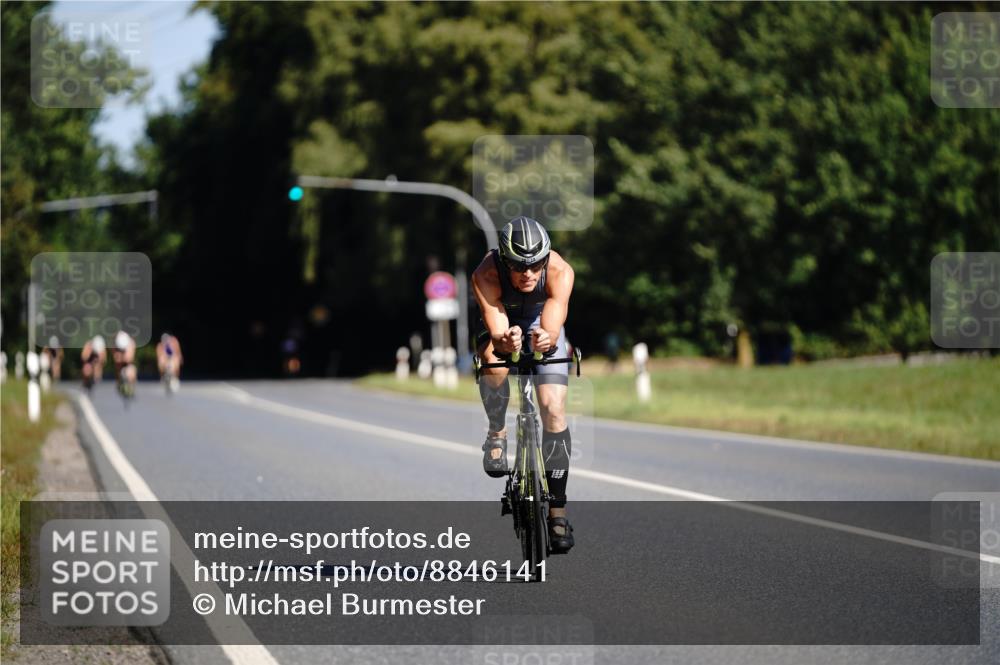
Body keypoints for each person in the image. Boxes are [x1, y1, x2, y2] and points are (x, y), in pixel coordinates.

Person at [471, 216, 576, 553]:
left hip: (543, 326)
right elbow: (498, 333)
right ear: (504, 260)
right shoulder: (486, 274)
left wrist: (544, 339)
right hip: (502, 325)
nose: (528, 273)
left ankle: (557, 514)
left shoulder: (560, 272)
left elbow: (552, 328)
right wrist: (506, 340)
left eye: (535, 265)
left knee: (554, 410)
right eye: (518, 266)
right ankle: (496, 433)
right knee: (494, 362)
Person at [112, 330, 137, 394]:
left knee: (131, 372)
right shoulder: (115, 345)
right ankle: (119, 382)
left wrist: (122, 357)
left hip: (128, 365)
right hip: (120, 367)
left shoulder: (131, 343)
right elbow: (116, 360)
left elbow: (129, 359)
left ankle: (131, 386)